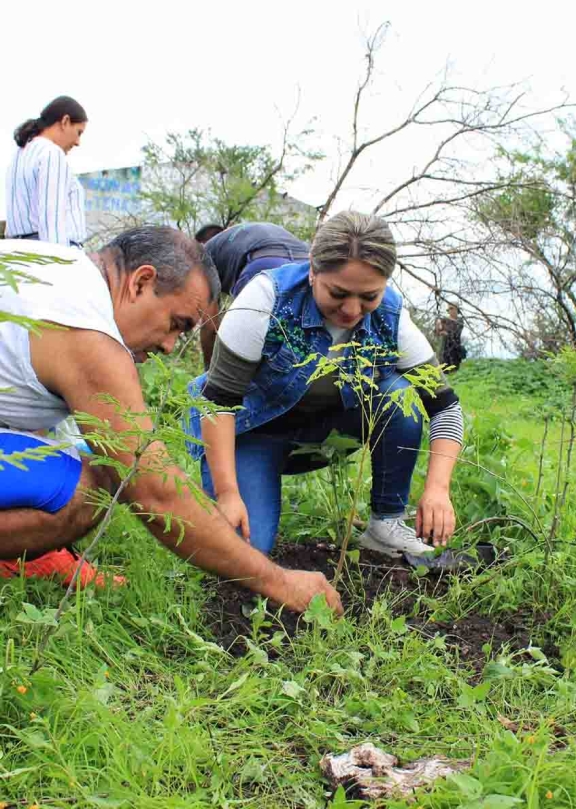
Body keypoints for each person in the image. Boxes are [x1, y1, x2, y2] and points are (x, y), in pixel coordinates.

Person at [0, 227, 342, 613]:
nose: (167, 346)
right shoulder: (87, 334)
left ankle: (28, 552)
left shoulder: (59, 265)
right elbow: (154, 492)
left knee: (80, 452)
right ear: (142, 282)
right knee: (96, 481)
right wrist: (279, 582)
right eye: (177, 325)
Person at [186, 211, 464, 558]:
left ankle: (386, 523)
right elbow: (218, 403)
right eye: (338, 292)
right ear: (313, 271)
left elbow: (446, 408)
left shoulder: (391, 317)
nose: (351, 309)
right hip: (254, 430)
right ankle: (239, 488)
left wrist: (438, 488)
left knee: (398, 395)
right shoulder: (265, 301)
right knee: (243, 553)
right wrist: (228, 494)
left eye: (369, 296)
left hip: (322, 432)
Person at [199, 222, 310, 367]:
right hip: (306, 266)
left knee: (241, 345)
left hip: (264, 263)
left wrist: (209, 372)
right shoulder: (244, 233)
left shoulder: (203, 255)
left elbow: (209, 325)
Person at [5, 96, 88, 248]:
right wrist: (61, 263)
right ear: (65, 121)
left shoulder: (20, 154)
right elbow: (53, 222)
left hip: (19, 250)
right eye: (79, 132)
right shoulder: (51, 153)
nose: (78, 142)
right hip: (52, 252)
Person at [435, 304, 466, 371]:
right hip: (445, 347)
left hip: (455, 347)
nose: (450, 310)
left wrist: (446, 332)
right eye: (449, 309)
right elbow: (438, 332)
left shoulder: (460, 320)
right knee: (443, 367)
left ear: (456, 309)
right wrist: (438, 326)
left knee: (454, 367)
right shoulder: (444, 320)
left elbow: (455, 331)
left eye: (452, 308)